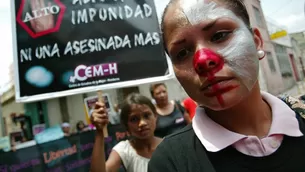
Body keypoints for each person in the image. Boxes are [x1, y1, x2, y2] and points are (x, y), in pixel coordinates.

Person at [148, 0, 305, 171]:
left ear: (257, 41)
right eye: (182, 53)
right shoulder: (171, 162)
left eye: (219, 35)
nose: (203, 60)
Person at [90, 93, 162, 172]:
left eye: (146, 116)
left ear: (155, 116)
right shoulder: (125, 150)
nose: (142, 123)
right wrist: (100, 131)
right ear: (126, 125)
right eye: (134, 119)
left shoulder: (168, 145)